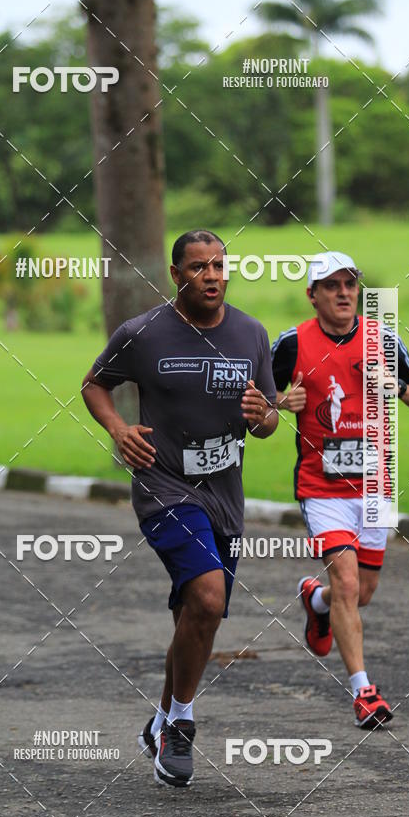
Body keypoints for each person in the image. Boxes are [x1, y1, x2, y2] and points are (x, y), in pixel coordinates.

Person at [81, 229, 278, 786]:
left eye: (219, 265)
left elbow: (266, 423)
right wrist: (119, 430)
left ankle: (161, 722)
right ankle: (183, 725)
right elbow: (95, 385)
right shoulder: (142, 333)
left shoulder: (251, 334)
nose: (212, 276)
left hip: (225, 497)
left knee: (195, 617)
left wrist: (262, 413)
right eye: (198, 267)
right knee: (209, 599)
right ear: (176, 275)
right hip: (164, 488)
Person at [271, 252, 409, 728]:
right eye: (331, 285)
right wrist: (282, 401)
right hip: (320, 487)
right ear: (313, 295)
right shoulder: (291, 344)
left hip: (375, 485)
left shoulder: (382, 339)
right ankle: (364, 692)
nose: (344, 292)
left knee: (360, 593)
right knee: (345, 581)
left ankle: (314, 602)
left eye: (350, 284)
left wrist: (396, 388)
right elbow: (255, 401)